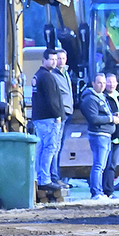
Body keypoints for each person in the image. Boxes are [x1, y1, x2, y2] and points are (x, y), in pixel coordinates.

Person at [81, 73, 119, 201]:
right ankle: (96, 192)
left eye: (104, 83)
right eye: (99, 83)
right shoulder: (90, 99)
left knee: (103, 165)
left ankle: (100, 191)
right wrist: (111, 118)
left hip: (106, 135)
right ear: (93, 83)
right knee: (98, 165)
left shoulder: (101, 97)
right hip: (99, 135)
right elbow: (93, 118)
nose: (102, 85)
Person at [31, 49, 65, 192]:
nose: (54, 62)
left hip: (40, 118)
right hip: (49, 119)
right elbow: (52, 100)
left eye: (55, 59)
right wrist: (58, 116)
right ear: (43, 60)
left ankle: (38, 177)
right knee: (49, 148)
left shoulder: (38, 75)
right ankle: (45, 179)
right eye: (51, 59)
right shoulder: (47, 77)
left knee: (41, 148)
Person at [50, 48, 73, 189]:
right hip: (60, 114)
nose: (61, 61)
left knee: (60, 146)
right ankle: (54, 177)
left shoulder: (65, 73)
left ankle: (56, 175)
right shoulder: (53, 75)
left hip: (67, 113)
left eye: (63, 58)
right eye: (59, 58)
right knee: (55, 146)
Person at [102, 73, 119, 198]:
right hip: (108, 136)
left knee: (112, 165)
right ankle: (107, 191)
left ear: (117, 83)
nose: (111, 84)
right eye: (108, 82)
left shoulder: (118, 97)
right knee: (107, 165)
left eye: (113, 82)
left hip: (118, 137)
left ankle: (108, 191)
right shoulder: (104, 98)